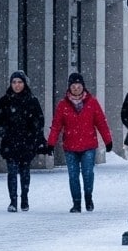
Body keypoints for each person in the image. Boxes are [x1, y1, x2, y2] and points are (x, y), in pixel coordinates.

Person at [46, 73, 113, 213]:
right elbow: (56, 125)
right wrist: (50, 143)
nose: (76, 88)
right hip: (70, 146)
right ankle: (76, 203)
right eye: (73, 86)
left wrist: (108, 141)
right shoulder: (63, 105)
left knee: (88, 174)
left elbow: (101, 122)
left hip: (88, 145)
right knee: (73, 175)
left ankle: (88, 198)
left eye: (78, 86)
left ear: (83, 87)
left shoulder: (92, 103)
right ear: (69, 88)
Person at [0, 71, 47, 212]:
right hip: (10, 142)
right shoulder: (5, 101)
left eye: (19, 82)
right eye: (14, 82)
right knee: (12, 171)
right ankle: (13, 201)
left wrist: (34, 137)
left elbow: (39, 120)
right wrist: (4, 133)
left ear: (24, 83)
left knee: (24, 171)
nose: (17, 85)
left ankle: (24, 198)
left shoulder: (31, 100)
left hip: (26, 142)